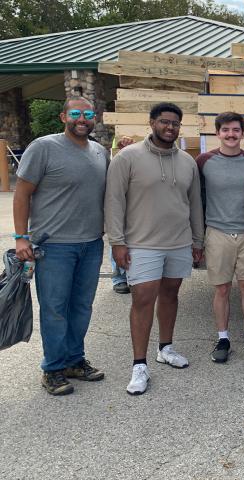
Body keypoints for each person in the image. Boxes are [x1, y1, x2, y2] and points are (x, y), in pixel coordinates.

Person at [106, 102, 204, 395]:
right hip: (141, 242)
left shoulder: (187, 162)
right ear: (151, 123)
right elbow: (113, 201)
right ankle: (139, 365)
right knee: (143, 299)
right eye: (164, 121)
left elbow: (195, 203)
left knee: (171, 294)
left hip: (179, 241)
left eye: (175, 123)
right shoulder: (127, 157)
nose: (170, 127)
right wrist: (117, 241)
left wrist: (198, 240)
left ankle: (166, 348)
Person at [13, 96, 108, 395]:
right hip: (54, 246)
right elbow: (22, 193)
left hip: (91, 244)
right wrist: (21, 237)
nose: (82, 119)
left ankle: (74, 360)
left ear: (95, 119)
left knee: (81, 306)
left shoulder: (100, 152)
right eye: (76, 113)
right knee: (55, 309)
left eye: (88, 114)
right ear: (63, 117)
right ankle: (53, 368)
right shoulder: (43, 147)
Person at [196, 112, 244, 364]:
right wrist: (197, 238)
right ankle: (223, 338)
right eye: (225, 130)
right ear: (217, 133)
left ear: (243, 133)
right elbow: (195, 197)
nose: (230, 134)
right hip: (217, 232)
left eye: (236, 130)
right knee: (222, 288)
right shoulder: (204, 161)